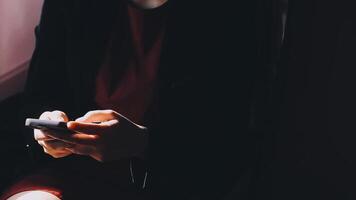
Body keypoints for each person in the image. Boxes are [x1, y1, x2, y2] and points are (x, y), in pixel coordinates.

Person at [1, 0, 267, 199]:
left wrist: (141, 143)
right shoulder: (73, 5)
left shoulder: (226, 13)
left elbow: (221, 146)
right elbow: (40, 95)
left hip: (164, 184)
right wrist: (47, 129)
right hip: (65, 172)